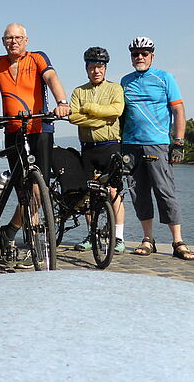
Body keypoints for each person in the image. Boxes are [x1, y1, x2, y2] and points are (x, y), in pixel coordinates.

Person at [0, 23, 71, 266]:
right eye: (8, 38)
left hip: (39, 129)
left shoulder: (37, 58)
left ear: (26, 40)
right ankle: (20, 236)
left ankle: (13, 230)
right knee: (23, 191)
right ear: (3, 41)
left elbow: (51, 78)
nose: (13, 42)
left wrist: (62, 101)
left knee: (40, 189)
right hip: (14, 131)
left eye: (18, 38)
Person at [121, 36, 194, 260]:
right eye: (136, 54)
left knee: (164, 192)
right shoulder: (125, 81)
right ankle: (148, 239)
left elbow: (178, 111)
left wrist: (179, 142)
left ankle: (177, 241)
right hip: (130, 145)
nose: (140, 57)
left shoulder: (165, 78)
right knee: (138, 193)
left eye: (144, 53)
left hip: (157, 144)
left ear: (152, 56)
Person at [68, 47, 127, 253]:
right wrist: (102, 120)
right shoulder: (79, 91)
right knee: (89, 194)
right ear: (86, 69)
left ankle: (118, 238)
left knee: (113, 192)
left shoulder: (115, 89)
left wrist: (90, 110)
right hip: (88, 149)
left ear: (105, 68)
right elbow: (73, 117)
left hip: (110, 146)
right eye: (92, 67)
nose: (96, 71)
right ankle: (92, 235)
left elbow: (117, 111)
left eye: (100, 67)